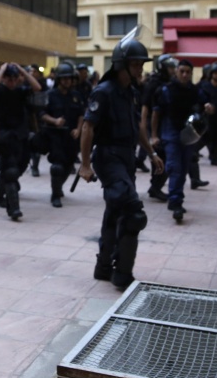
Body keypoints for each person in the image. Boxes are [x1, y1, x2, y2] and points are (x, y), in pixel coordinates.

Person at [78, 33, 163, 290]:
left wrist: (150, 152)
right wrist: (85, 164)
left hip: (126, 158)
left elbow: (137, 126)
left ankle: (103, 267)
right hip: (108, 157)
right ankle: (122, 274)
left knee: (114, 212)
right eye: (136, 63)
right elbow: (87, 128)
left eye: (142, 63)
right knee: (133, 213)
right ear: (121, 65)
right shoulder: (103, 92)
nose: (141, 68)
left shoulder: (131, 92)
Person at [151, 59, 212, 223]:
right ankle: (175, 202)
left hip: (189, 133)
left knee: (184, 167)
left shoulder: (195, 90)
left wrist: (208, 107)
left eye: (188, 72)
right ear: (176, 72)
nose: (185, 74)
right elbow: (156, 114)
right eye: (182, 71)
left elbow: (205, 103)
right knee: (175, 167)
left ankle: (176, 198)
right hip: (171, 132)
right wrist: (154, 135)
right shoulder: (166, 90)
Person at [0, 62, 41, 220]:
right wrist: (2, 69)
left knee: (19, 167)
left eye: (14, 78)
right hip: (4, 136)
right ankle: (14, 209)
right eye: (8, 78)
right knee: (10, 171)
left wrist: (21, 72)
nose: (11, 81)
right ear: (3, 78)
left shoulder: (21, 91)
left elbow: (37, 87)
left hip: (21, 136)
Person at [41, 62, 84, 207]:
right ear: (58, 79)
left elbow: (81, 115)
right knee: (57, 167)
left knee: (68, 165)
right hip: (55, 136)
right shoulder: (50, 95)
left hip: (71, 137)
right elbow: (42, 114)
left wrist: (79, 129)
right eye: (64, 78)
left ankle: (58, 188)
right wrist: (54, 120)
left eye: (69, 78)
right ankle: (55, 194)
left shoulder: (76, 96)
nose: (67, 81)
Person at [141, 54, 176, 202]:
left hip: (165, 124)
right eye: (170, 67)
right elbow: (145, 106)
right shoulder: (153, 83)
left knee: (166, 157)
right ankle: (155, 187)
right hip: (153, 125)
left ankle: (155, 186)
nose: (172, 70)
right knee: (160, 156)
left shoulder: (169, 82)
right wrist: (146, 130)